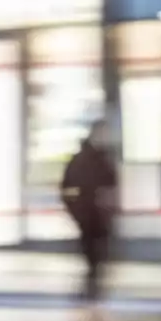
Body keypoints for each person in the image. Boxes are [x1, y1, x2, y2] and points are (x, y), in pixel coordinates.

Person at [61, 119, 118, 309]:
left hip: (101, 218)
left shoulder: (105, 160)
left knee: (100, 256)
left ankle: (94, 289)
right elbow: (68, 188)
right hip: (88, 218)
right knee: (92, 255)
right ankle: (91, 289)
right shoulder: (82, 160)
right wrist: (78, 211)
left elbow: (112, 187)